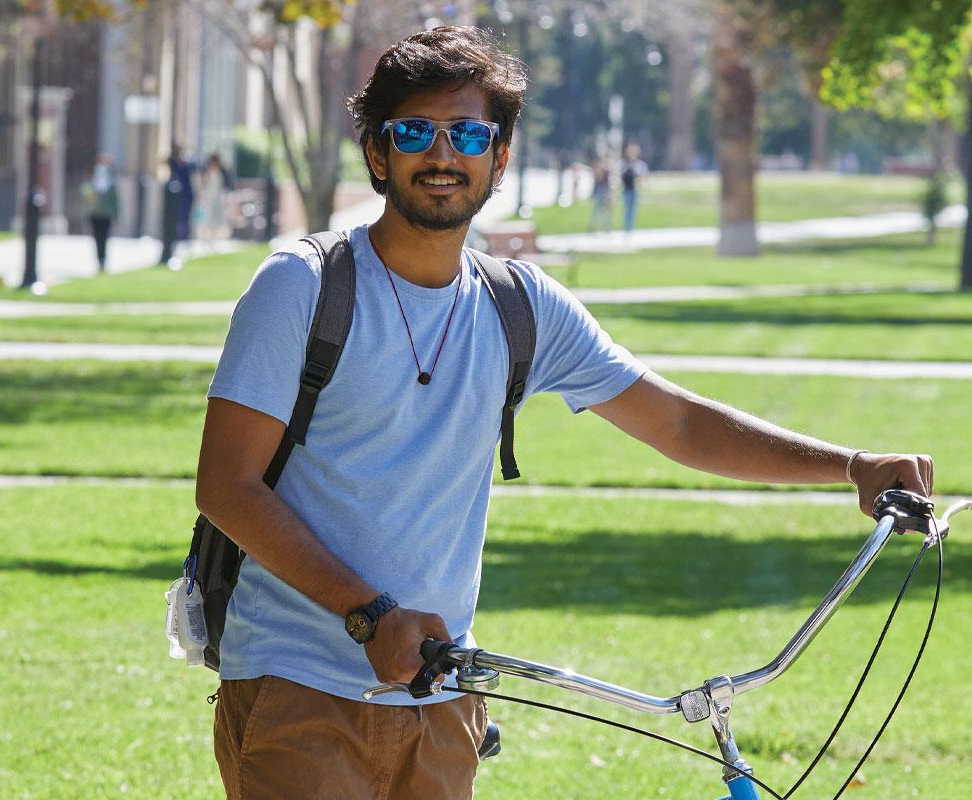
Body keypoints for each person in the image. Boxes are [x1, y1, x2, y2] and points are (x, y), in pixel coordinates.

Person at [194, 26, 934, 800]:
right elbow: (228, 485)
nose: (441, 155)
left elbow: (677, 422)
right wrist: (369, 614)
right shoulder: (303, 288)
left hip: (442, 701)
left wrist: (850, 466)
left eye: (468, 134)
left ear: (500, 158)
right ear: (378, 154)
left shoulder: (521, 307)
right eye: (414, 132)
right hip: (299, 688)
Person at [79, 153, 119, 272]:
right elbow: (85, 194)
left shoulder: (111, 181)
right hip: (95, 214)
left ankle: (103, 259)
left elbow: (115, 199)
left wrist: (116, 214)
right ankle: (99, 259)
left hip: (106, 215)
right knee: (97, 237)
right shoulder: (90, 179)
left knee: (104, 237)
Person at [194, 152, 232, 245]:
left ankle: (214, 238)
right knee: (205, 219)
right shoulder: (205, 172)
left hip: (218, 199)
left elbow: (224, 186)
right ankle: (205, 238)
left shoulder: (222, 172)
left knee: (217, 219)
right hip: (207, 199)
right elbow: (201, 185)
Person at [619, 143, 648, 233]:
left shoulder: (640, 164)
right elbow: (620, 176)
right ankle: (627, 228)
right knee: (627, 208)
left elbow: (643, 176)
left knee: (633, 209)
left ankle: (630, 227)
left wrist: (639, 181)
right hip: (626, 189)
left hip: (635, 189)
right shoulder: (624, 163)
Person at [589, 155, 612, 231]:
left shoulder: (606, 170)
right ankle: (594, 225)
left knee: (606, 210)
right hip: (600, 191)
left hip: (605, 191)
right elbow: (597, 180)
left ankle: (607, 226)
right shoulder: (598, 170)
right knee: (597, 209)